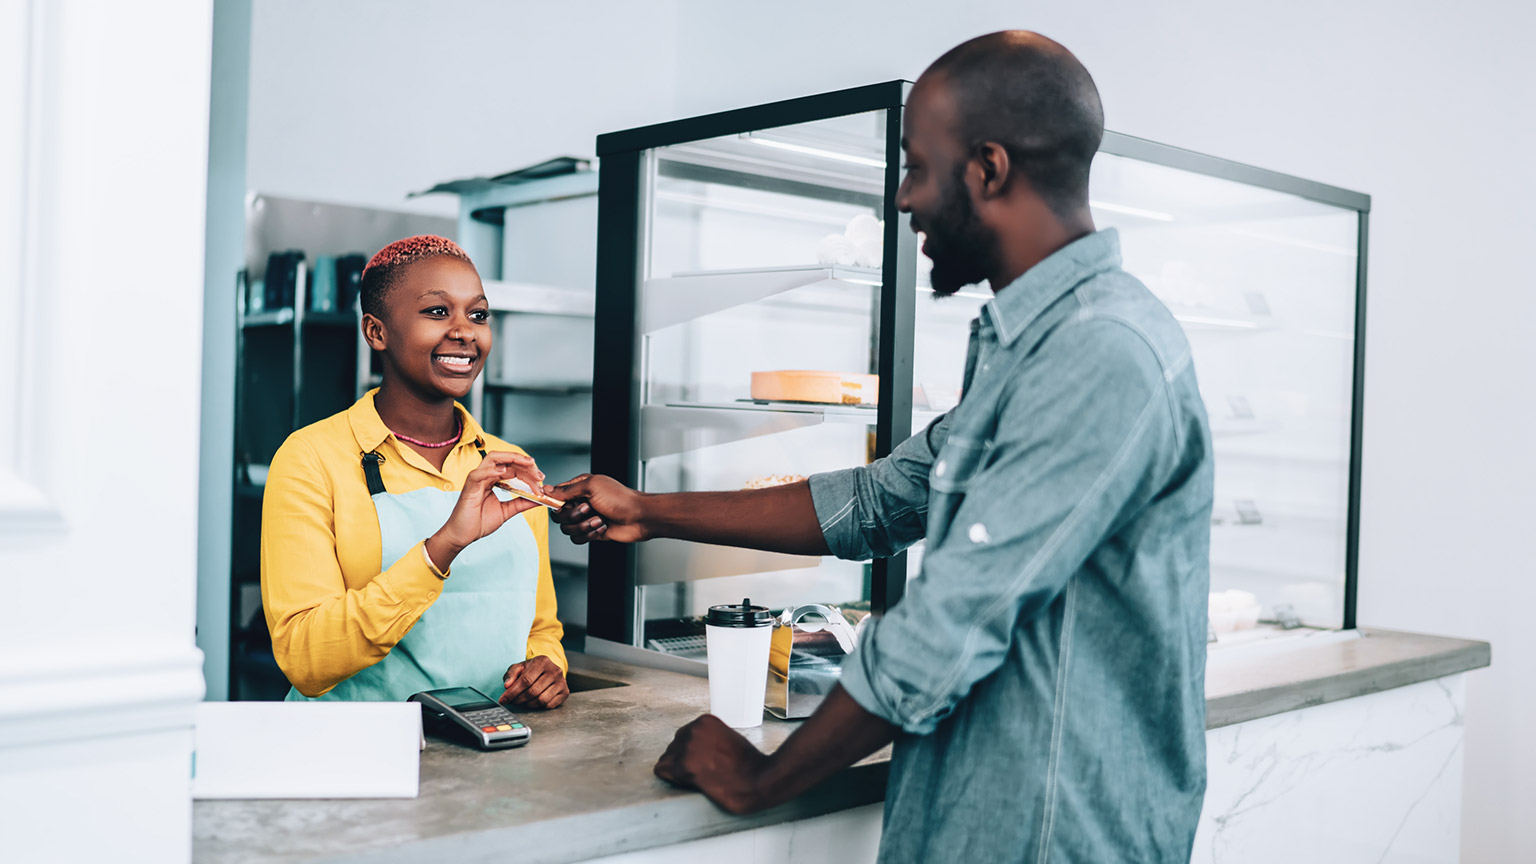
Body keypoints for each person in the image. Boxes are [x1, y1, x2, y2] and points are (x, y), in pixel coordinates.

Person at [551, 31, 1214, 862]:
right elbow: (878, 502)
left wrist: (763, 777)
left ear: (989, 169)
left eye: (915, 167)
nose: (902, 200)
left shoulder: (1100, 350)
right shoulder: (1028, 345)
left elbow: (951, 624)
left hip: (1052, 837)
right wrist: (647, 510)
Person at [262, 235, 570, 709]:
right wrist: (440, 548)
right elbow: (305, 658)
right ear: (376, 332)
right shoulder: (310, 460)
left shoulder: (507, 466)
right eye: (437, 312)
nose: (465, 331)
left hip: (490, 746)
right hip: (360, 754)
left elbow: (539, 627)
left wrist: (546, 667)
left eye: (479, 314)